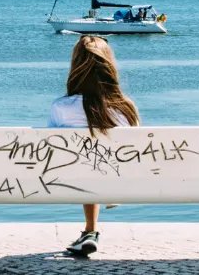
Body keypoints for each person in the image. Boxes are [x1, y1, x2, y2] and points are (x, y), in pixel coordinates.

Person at [48, 35, 140, 258]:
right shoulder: (126, 108)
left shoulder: (62, 107)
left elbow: (50, 149)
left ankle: (91, 230)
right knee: (95, 165)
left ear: (76, 67)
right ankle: (90, 231)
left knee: (86, 166)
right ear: (109, 67)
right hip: (118, 177)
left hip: (72, 178)